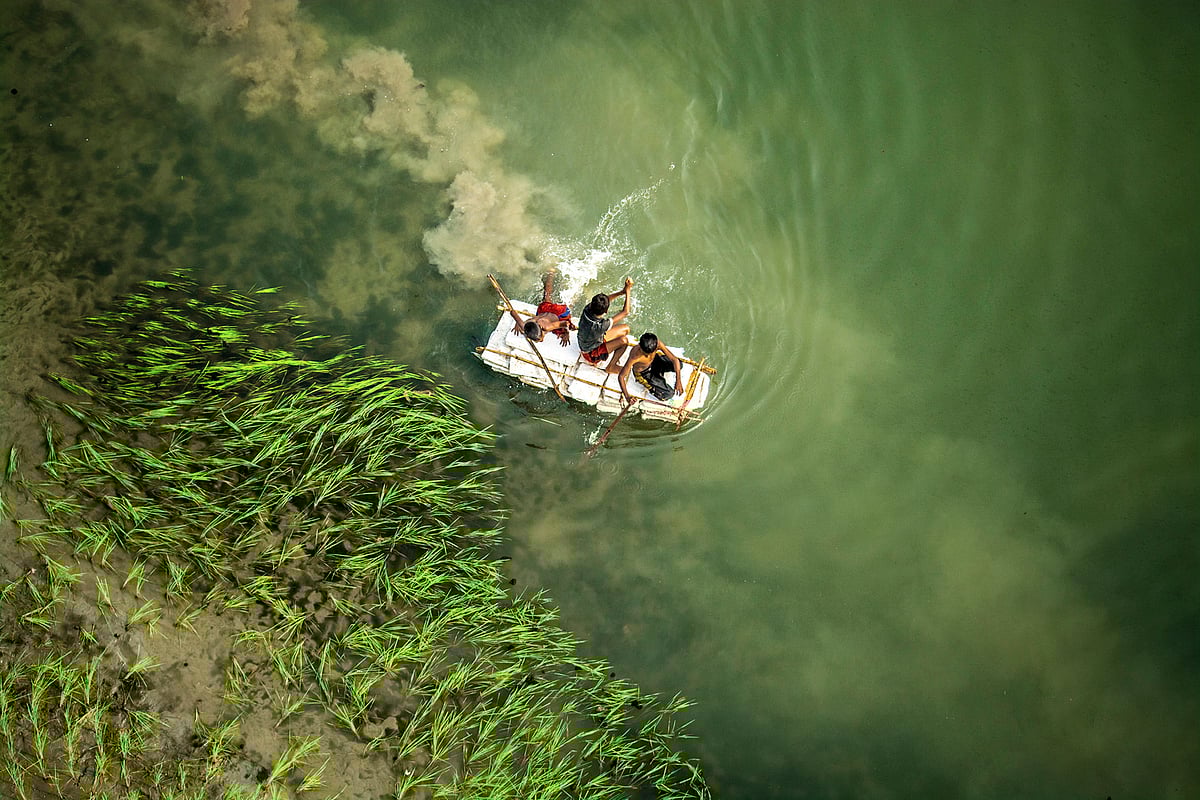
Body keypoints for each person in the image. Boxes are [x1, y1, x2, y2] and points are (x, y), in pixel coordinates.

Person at [577, 277, 634, 372]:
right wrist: (628, 290)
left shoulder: (588, 309)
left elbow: (605, 300)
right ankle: (611, 366)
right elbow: (625, 312)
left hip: (588, 340)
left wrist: (622, 292)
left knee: (625, 328)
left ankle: (613, 352)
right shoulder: (601, 325)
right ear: (606, 311)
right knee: (624, 341)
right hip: (591, 354)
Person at [618, 332, 684, 405]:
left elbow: (674, 360)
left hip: (655, 362)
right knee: (668, 394)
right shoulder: (634, 356)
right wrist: (627, 397)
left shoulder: (657, 343)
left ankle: (659, 372)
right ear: (640, 346)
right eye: (645, 353)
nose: (647, 356)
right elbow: (621, 376)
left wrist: (678, 380)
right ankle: (652, 387)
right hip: (645, 373)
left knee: (679, 364)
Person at [511, 270, 574, 346]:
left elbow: (565, 323)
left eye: (541, 337)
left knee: (569, 307)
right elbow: (513, 313)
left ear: (541, 328)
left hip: (558, 313)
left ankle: (574, 297)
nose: (542, 340)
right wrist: (518, 323)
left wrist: (566, 333)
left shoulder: (547, 327)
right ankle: (550, 273)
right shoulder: (524, 325)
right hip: (544, 310)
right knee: (547, 295)